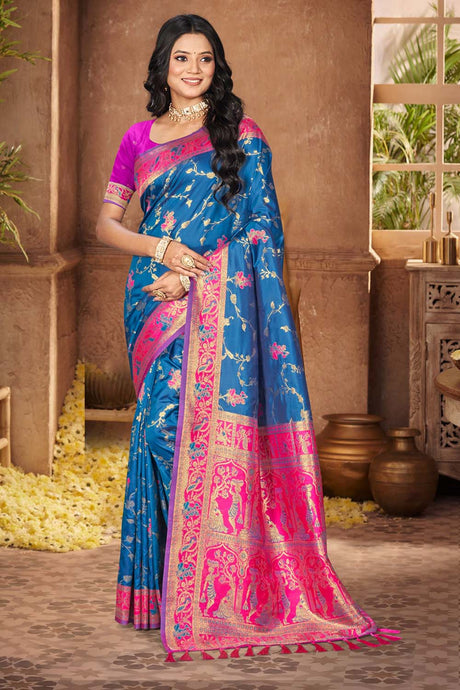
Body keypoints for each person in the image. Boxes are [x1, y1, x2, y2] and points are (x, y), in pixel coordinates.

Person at [96, 14, 397, 660]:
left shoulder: (242, 135)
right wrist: (161, 250)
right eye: (182, 58)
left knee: (182, 432)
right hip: (149, 303)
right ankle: (171, 591)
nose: (193, 69)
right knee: (155, 431)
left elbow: (261, 230)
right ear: (162, 66)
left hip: (208, 301)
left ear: (217, 66)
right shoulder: (138, 139)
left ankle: (213, 588)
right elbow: (106, 226)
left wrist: (192, 277)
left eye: (205, 58)